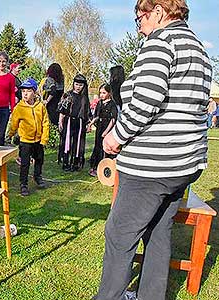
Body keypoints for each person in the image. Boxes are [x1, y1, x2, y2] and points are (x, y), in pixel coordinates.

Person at [94, 1, 212, 299]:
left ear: (159, 11)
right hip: (184, 165)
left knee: (119, 234)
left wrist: (115, 137)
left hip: (153, 166)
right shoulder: (199, 49)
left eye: (140, 18)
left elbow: (146, 100)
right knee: (158, 231)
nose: (139, 26)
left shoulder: (160, 42)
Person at [8, 78, 49, 196]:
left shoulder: (40, 107)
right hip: (25, 141)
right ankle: (23, 184)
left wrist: (44, 138)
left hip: (38, 140)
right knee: (25, 163)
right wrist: (10, 134)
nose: (25, 94)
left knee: (39, 160)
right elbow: (14, 123)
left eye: (28, 91)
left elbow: (45, 123)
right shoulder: (19, 108)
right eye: (23, 91)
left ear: (34, 92)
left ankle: (38, 177)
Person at [58, 74, 90, 172]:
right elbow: (62, 110)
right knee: (67, 142)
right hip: (68, 121)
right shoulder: (68, 95)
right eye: (76, 84)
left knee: (78, 143)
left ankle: (76, 163)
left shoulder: (85, 98)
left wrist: (88, 124)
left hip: (80, 122)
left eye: (80, 85)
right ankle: (65, 162)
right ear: (73, 84)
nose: (78, 87)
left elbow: (87, 113)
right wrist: (60, 121)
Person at [87, 84, 118, 177]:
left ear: (109, 93)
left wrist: (106, 131)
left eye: (104, 93)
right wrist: (91, 124)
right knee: (98, 146)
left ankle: (106, 169)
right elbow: (97, 116)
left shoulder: (112, 104)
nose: (101, 95)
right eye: (100, 93)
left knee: (105, 149)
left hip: (107, 128)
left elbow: (113, 119)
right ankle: (95, 167)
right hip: (99, 127)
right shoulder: (100, 103)